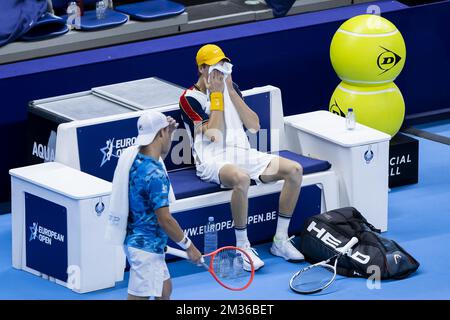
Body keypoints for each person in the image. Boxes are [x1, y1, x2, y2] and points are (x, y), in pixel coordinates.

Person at [178, 44, 305, 271]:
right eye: (214, 67)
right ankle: (243, 246)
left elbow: (254, 126)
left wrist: (231, 91)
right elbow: (214, 135)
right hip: (212, 160)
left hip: (244, 153)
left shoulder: (231, 87)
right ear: (201, 68)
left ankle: (280, 240)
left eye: (223, 65)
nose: (219, 72)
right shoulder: (189, 98)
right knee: (242, 178)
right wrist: (216, 96)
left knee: (294, 170)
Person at [122, 110, 202, 300]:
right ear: (159, 134)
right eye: (166, 132)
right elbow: (165, 219)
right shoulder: (156, 175)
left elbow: (158, 152)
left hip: (141, 241)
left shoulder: (135, 158)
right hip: (146, 248)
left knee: (165, 291)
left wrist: (169, 132)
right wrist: (189, 246)